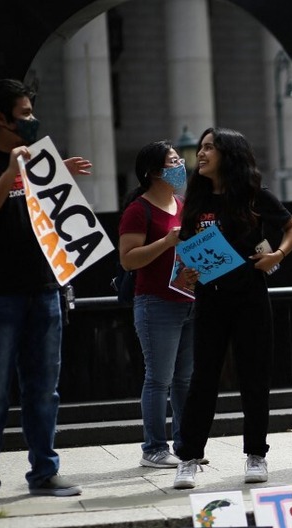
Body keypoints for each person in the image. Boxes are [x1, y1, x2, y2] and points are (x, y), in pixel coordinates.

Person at [0, 79, 91, 505]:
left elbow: (54, 221)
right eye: (25, 113)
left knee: (43, 388)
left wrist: (53, 179)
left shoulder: (38, 162)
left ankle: (44, 472)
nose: (32, 120)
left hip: (44, 288)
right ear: (1, 118)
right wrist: (11, 175)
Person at [172, 127, 292, 489]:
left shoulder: (253, 196)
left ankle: (256, 455)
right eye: (200, 147)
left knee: (254, 378)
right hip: (209, 298)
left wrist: (277, 254)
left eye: (210, 147)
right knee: (203, 379)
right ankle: (188, 457)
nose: (201, 153)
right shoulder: (195, 200)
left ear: (229, 154)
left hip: (250, 296)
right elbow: (185, 247)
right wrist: (186, 272)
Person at [118, 141, 198, 469]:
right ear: (153, 172)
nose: (180, 166)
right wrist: (166, 241)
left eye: (180, 160)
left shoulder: (182, 204)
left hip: (188, 300)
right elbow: (127, 260)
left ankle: (184, 444)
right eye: (173, 161)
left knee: (184, 379)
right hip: (155, 303)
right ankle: (153, 447)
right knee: (159, 378)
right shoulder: (139, 210)